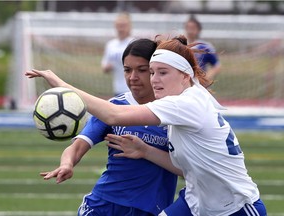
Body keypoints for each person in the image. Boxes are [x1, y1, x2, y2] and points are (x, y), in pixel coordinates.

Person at [25, 35, 267, 216]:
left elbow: (113, 115)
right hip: (195, 200)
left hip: (236, 205)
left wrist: (59, 84)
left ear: (185, 75)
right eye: (152, 72)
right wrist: (145, 151)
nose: (154, 80)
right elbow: (187, 169)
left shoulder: (184, 105)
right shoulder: (181, 104)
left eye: (162, 73)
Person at [38, 39, 179, 216]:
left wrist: (146, 150)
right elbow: (77, 146)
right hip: (105, 204)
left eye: (141, 70)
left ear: (154, 71)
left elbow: (189, 169)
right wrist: (67, 164)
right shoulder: (113, 107)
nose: (132, 77)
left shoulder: (175, 111)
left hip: (151, 209)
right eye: (127, 70)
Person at [102, 12, 134, 95]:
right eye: (119, 26)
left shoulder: (133, 43)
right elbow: (104, 66)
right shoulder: (111, 45)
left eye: (123, 25)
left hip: (132, 89)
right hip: (117, 89)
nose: (121, 29)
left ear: (129, 27)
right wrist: (108, 67)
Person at [185, 15, 221, 82]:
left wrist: (206, 78)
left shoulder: (205, 46)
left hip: (199, 84)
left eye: (193, 28)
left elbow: (216, 66)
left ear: (198, 30)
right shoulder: (180, 45)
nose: (190, 31)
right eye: (188, 28)